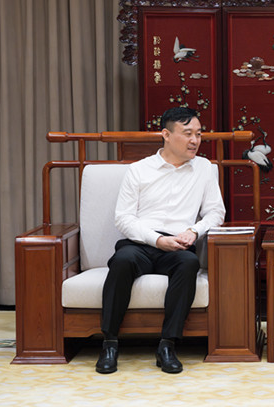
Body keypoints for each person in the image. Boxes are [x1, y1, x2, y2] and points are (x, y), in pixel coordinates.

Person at [96, 107, 225, 374]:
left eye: (199, 134)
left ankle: (167, 345)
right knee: (122, 261)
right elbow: (124, 218)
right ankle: (109, 343)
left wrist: (194, 231)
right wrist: (156, 240)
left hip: (179, 244)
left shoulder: (204, 168)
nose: (195, 140)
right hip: (141, 243)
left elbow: (216, 212)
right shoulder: (139, 170)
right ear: (166, 134)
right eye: (187, 134)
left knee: (188, 264)